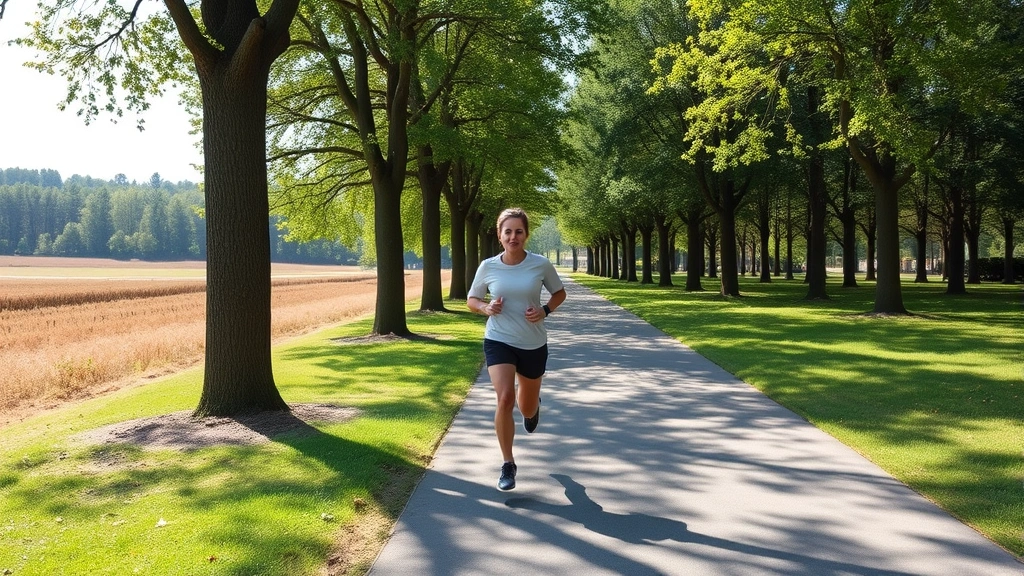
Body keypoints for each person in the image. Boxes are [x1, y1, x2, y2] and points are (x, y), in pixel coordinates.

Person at [467, 208, 567, 491]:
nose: (513, 237)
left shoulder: (541, 265)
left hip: (533, 343)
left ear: (526, 234)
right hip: (498, 339)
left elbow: (560, 293)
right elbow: (472, 299)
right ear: (499, 236)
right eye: (507, 232)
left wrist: (545, 310)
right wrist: (486, 307)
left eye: (518, 232)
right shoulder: (488, 266)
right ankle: (508, 464)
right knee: (505, 398)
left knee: (525, 404)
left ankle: (533, 407)